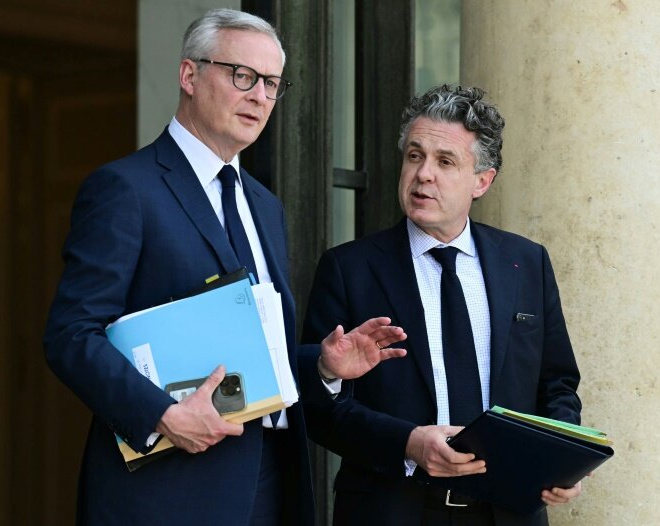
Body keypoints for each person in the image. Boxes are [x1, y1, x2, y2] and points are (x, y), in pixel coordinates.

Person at [43, 9, 406, 526]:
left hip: (272, 485)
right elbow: (70, 335)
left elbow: (249, 361)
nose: (260, 96)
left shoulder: (264, 205)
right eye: (243, 76)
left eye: (273, 84)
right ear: (190, 76)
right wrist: (163, 416)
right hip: (166, 496)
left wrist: (322, 365)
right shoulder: (126, 190)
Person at [300, 85, 583, 526]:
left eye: (445, 161)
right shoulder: (348, 268)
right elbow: (321, 411)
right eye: (415, 156)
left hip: (508, 512)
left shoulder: (526, 263)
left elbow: (557, 385)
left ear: (482, 182)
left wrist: (564, 457)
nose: (423, 173)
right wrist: (408, 442)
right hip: (392, 509)